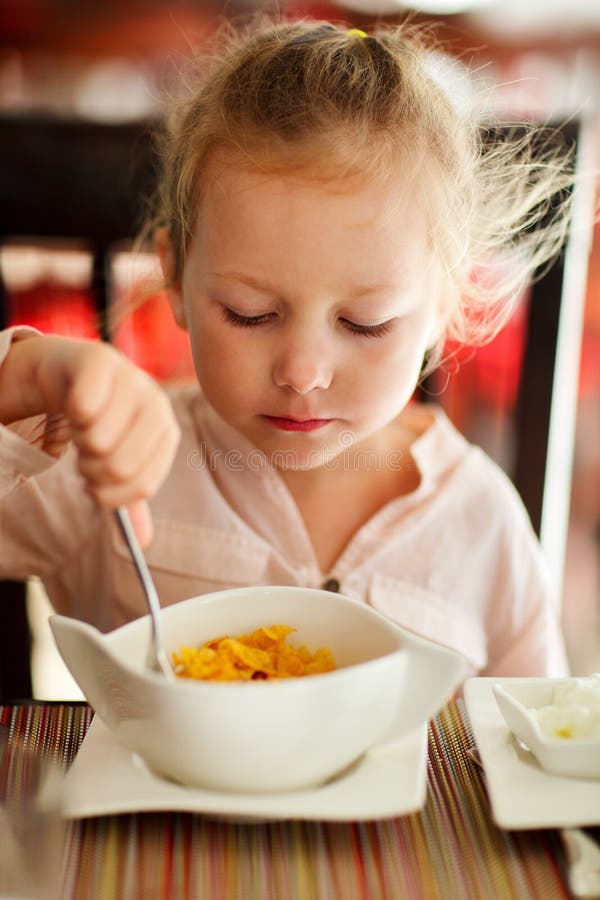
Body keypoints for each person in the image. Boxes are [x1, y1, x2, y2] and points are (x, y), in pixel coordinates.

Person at [0, 19, 575, 675]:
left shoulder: (479, 524)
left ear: (445, 303)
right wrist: (26, 378)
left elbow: (533, 744)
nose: (302, 373)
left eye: (364, 322)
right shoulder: (107, 469)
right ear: (177, 279)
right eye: (250, 314)